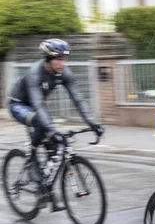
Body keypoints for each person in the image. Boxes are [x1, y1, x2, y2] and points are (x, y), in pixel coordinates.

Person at [8, 38, 104, 212]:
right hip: (19, 105)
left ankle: (46, 189)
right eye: (58, 59)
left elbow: (78, 99)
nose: (62, 63)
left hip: (37, 108)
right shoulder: (34, 74)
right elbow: (38, 105)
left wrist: (93, 123)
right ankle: (33, 153)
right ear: (47, 59)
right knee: (41, 123)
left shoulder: (64, 72)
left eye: (64, 59)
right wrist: (52, 129)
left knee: (56, 146)